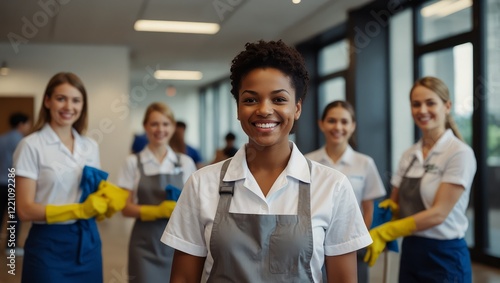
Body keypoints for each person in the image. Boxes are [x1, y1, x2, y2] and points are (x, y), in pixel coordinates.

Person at [161, 39, 371, 283]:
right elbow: (183, 279)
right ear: (238, 108)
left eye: (279, 99)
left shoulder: (332, 186)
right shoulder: (201, 184)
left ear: (297, 108)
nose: (264, 110)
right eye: (250, 99)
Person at [364, 76, 477, 283]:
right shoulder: (409, 155)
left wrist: (387, 231)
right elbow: (397, 202)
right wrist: (388, 211)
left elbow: (438, 214)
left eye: (430, 103)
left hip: (445, 256)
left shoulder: (459, 153)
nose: (422, 110)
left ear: (447, 106)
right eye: (416, 104)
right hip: (412, 251)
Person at [13, 72, 120, 283]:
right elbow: (24, 210)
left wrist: (107, 200)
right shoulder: (30, 146)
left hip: (88, 242)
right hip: (48, 244)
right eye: (61, 98)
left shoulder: (90, 146)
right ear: (47, 101)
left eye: (76, 100)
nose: (68, 106)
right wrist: (78, 210)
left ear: (83, 106)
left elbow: (91, 192)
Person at [305, 100, 386, 283]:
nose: (338, 127)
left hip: (353, 247)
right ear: (321, 124)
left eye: (344, 121)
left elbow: (368, 209)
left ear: (353, 126)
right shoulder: (307, 162)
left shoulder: (365, 163)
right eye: (332, 121)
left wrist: (356, 241)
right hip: (315, 245)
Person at [118, 102, 197, 282]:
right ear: (145, 126)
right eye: (154, 124)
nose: (160, 129)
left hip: (178, 243)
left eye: (165, 124)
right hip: (144, 245)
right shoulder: (132, 162)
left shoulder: (185, 162)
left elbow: (194, 206)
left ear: (173, 127)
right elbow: (125, 208)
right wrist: (155, 211)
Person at [0, 112, 31, 256]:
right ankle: (11, 247)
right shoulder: (21, 141)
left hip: (0, 182)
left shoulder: (2, 138)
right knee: (14, 217)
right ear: (21, 124)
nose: (28, 127)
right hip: (12, 184)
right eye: (27, 124)